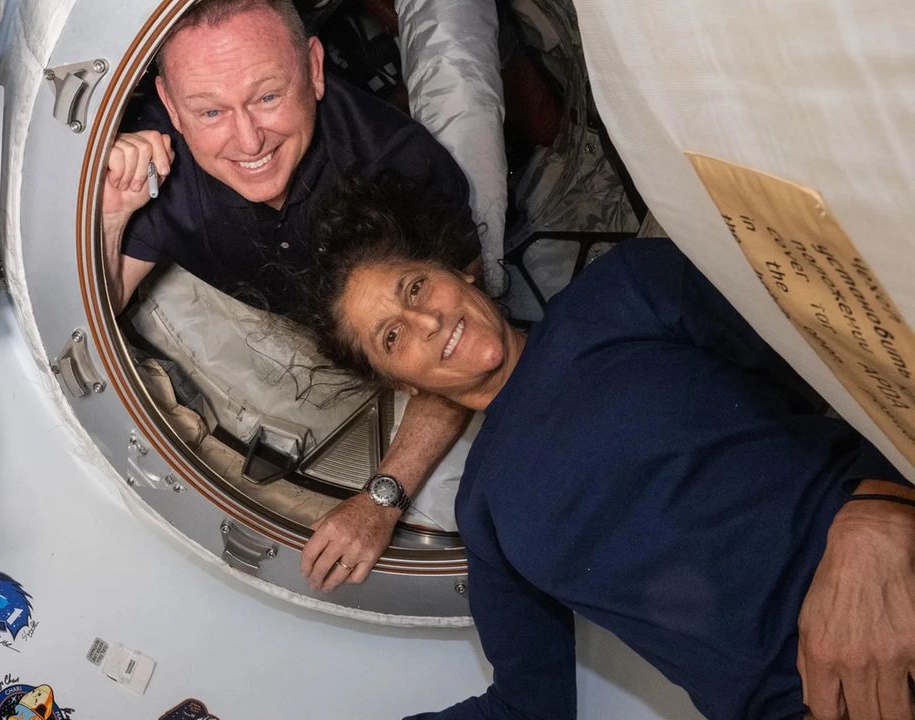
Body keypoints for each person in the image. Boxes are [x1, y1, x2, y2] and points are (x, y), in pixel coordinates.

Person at [291, 174, 915, 720]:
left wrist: (879, 513)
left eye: (416, 288)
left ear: (458, 270)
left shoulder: (623, 291)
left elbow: (860, 351)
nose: (427, 323)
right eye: (394, 335)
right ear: (401, 383)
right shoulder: (484, 510)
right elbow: (527, 708)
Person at [101, 0, 484, 592]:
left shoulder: (398, 167)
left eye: (267, 97)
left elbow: (463, 343)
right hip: (288, 314)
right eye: (209, 111)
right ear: (171, 106)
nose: (247, 138)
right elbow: (102, 307)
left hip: (400, 306)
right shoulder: (157, 162)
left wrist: (382, 498)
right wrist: (111, 216)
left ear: (313, 67)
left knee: (461, 87)